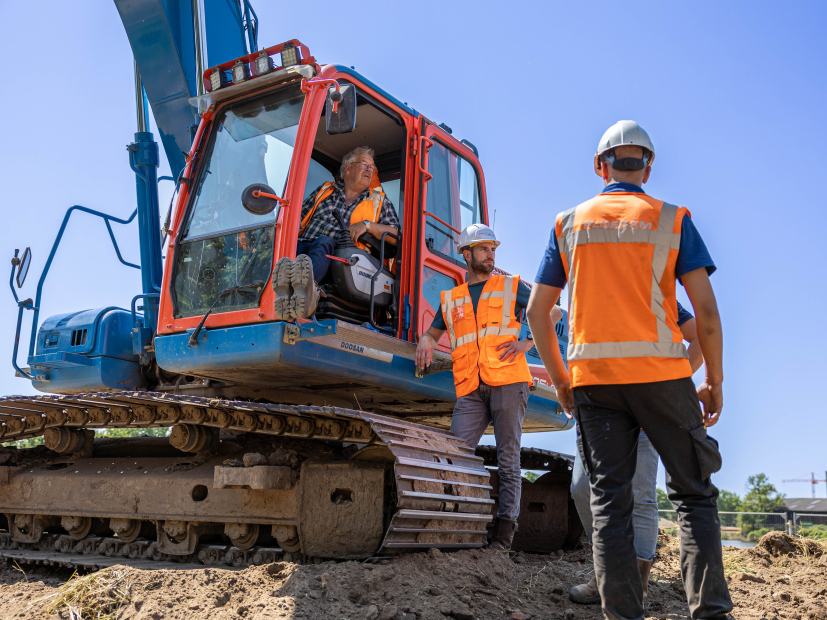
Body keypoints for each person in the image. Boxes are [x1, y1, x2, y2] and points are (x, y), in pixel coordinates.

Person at [527, 120, 731, 620]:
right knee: (694, 495)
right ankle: (709, 612)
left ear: (600, 167)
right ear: (648, 167)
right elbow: (705, 312)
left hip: (595, 385)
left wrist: (562, 382)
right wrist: (713, 379)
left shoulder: (568, 223)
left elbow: (537, 311)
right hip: (663, 378)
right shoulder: (672, 219)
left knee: (609, 504)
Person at [569, 301, 702, 605]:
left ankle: (633, 585)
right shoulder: (590, 294)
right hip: (596, 410)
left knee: (639, 495)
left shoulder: (657, 294)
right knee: (582, 488)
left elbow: (699, 338)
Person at [415, 223, 534, 551]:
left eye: (493, 249)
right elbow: (433, 333)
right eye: (483, 249)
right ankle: (459, 526)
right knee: (455, 455)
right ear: (466, 254)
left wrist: (528, 342)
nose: (490, 255)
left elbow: (549, 311)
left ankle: (503, 540)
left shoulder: (511, 286)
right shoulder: (452, 299)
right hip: (470, 385)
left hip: (509, 381)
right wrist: (425, 340)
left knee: (508, 460)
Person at [272, 146, 400, 319]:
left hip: (343, 259)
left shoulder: (380, 202)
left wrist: (368, 225)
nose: (369, 170)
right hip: (303, 246)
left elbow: (396, 236)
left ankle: (307, 291)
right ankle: (284, 293)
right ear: (348, 168)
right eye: (364, 165)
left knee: (325, 242)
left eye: (372, 167)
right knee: (283, 257)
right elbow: (297, 218)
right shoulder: (324, 191)